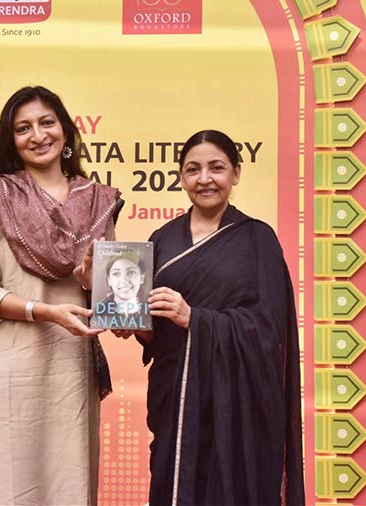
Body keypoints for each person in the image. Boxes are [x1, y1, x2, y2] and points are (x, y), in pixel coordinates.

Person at [0, 86, 122, 506]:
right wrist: (45, 311)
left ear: (66, 130)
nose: (38, 135)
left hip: (69, 370)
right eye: (23, 128)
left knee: (69, 483)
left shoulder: (98, 202)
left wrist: (91, 280)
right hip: (5, 369)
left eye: (47, 122)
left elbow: (110, 296)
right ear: (11, 140)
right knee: (2, 486)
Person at [128, 130, 305, 505]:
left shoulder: (258, 240)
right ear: (180, 177)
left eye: (217, 168)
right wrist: (132, 325)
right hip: (173, 395)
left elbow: (270, 331)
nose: (204, 179)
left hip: (236, 402)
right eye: (193, 169)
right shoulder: (161, 240)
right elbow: (153, 333)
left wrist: (196, 318)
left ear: (236, 173)